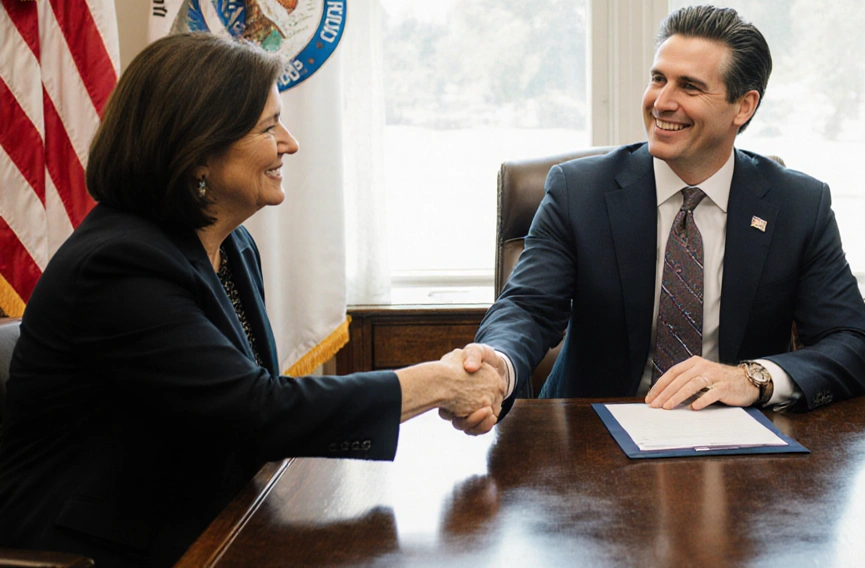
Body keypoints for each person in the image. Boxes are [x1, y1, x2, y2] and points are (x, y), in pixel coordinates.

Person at [0, 33, 504, 568]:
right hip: (103, 546)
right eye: (268, 127)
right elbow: (256, 410)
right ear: (198, 153)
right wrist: (437, 382)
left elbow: (249, 411)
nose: (289, 142)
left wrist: (438, 386)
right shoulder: (119, 265)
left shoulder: (229, 243)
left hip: (210, 517)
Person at [462, 5, 865, 425]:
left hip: (739, 442)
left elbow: (853, 346)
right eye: (658, 79)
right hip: (589, 434)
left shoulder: (797, 205)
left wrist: (753, 378)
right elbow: (529, 309)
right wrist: (499, 366)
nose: (661, 103)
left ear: (744, 106)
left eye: (690, 87)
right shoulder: (580, 192)